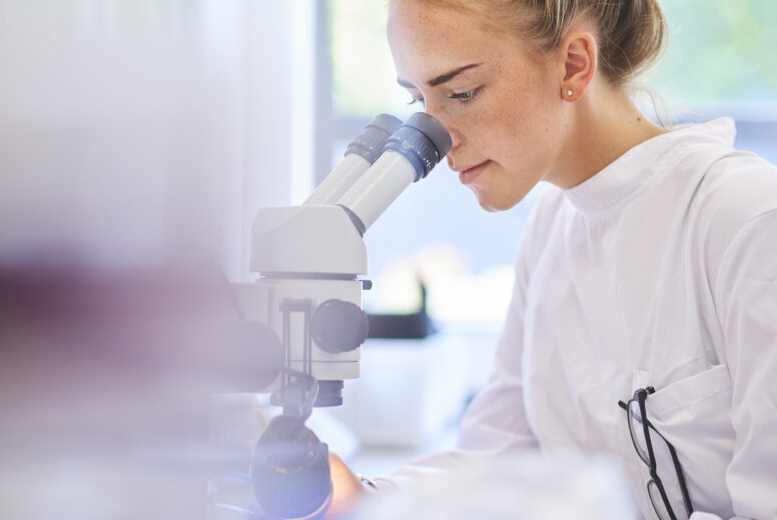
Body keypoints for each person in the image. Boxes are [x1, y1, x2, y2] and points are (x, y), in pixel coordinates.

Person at [326, 1, 777, 519]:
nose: (437, 139)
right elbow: (501, 461)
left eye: (462, 93)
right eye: (419, 100)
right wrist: (358, 497)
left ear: (574, 64)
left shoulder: (746, 220)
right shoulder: (551, 228)